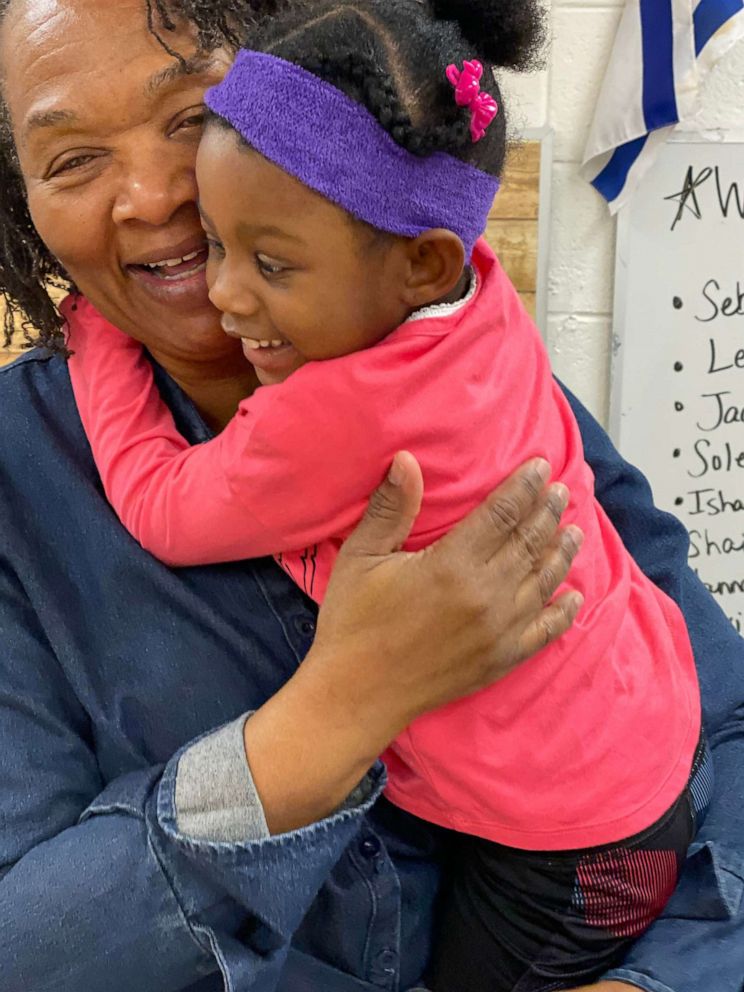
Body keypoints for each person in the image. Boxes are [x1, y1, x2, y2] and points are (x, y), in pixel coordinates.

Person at [0, 1, 741, 991]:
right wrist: (332, 713)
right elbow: (29, 947)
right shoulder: (22, 478)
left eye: (190, 118)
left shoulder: (445, 365)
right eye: (72, 160)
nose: (150, 194)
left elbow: (723, 715)